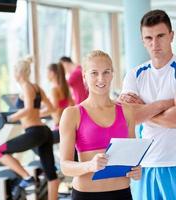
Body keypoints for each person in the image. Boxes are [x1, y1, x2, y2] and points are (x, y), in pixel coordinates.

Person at [119, 10, 176, 200]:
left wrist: (143, 108)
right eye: (148, 38)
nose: (154, 44)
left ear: (171, 35)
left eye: (160, 36)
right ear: (142, 40)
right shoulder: (134, 75)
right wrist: (164, 104)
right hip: (143, 167)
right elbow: (127, 118)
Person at [59, 50, 141, 200]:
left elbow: (131, 157)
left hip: (122, 194)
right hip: (86, 195)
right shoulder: (72, 114)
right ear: (84, 76)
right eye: (94, 73)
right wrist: (89, 166)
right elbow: (65, 166)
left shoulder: (127, 111)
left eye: (106, 72)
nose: (101, 78)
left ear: (112, 74)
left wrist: (136, 170)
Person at [0, 57, 60, 200]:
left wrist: (10, 118)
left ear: (18, 73)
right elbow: (51, 108)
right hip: (44, 131)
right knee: (51, 175)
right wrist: (37, 114)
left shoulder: (25, 87)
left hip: (34, 132)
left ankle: (27, 177)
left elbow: (28, 108)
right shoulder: (37, 87)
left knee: (0, 151)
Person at [47, 63, 74, 143]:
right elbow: (72, 103)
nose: (46, 75)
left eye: (47, 73)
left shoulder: (54, 90)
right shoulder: (64, 87)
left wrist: (38, 113)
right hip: (66, 125)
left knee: (39, 142)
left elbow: (54, 108)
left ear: (52, 73)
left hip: (59, 127)